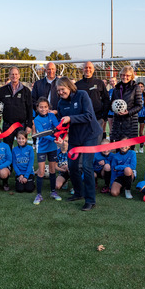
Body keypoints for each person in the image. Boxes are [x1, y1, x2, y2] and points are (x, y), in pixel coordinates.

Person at [56, 77, 103, 211]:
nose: (60, 92)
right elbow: (62, 124)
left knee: (87, 167)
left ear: (69, 87)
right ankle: (78, 193)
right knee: (72, 165)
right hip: (75, 137)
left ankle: (90, 200)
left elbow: (89, 116)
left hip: (90, 134)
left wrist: (71, 118)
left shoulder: (82, 95)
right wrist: (60, 136)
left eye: (62, 89)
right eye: (58, 90)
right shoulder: (60, 103)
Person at [0, 66, 33, 148]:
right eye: (12, 74)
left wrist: (29, 125)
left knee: (22, 148)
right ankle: (9, 162)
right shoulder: (3, 90)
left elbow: (30, 108)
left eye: (16, 74)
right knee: (7, 148)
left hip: (21, 125)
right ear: (9, 76)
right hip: (7, 125)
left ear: (19, 75)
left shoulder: (26, 90)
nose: (14, 76)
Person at [33, 97, 61, 204]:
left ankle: (53, 192)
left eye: (45, 107)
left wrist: (62, 128)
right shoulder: (36, 119)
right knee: (41, 172)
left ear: (48, 107)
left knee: (53, 170)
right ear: (37, 108)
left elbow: (58, 126)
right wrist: (54, 138)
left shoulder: (52, 115)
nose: (43, 109)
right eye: (41, 107)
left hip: (52, 147)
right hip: (42, 148)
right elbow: (43, 134)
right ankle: (39, 195)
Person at [110, 66, 143, 143]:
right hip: (118, 122)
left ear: (131, 76)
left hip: (130, 122)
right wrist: (113, 107)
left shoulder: (136, 87)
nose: (125, 77)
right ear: (120, 75)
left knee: (129, 148)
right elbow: (112, 103)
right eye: (123, 75)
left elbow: (139, 105)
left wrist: (128, 112)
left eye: (127, 75)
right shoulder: (116, 88)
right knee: (118, 147)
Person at [75, 62, 110, 134]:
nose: (88, 69)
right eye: (86, 67)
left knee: (97, 141)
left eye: (90, 67)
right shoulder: (77, 85)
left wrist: (104, 117)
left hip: (98, 118)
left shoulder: (100, 83)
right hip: (82, 119)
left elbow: (106, 100)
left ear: (93, 70)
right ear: (83, 69)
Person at [12, 130, 36, 194]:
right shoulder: (14, 150)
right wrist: (19, 175)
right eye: (19, 138)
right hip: (19, 174)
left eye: (23, 138)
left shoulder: (30, 149)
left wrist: (26, 176)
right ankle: (19, 180)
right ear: (16, 139)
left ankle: (31, 181)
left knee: (29, 189)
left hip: (28, 173)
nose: (21, 140)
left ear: (26, 139)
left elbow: (30, 163)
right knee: (20, 189)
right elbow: (14, 164)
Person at [137, 82, 145, 153]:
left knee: (141, 132)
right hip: (134, 115)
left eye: (141, 86)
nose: (140, 88)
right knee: (134, 132)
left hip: (142, 115)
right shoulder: (134, 94)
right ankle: (133, 147)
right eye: (139, 86)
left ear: (143, 88)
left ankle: (141, 147)